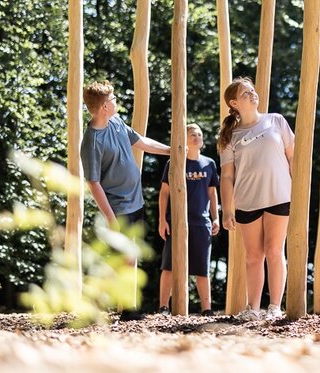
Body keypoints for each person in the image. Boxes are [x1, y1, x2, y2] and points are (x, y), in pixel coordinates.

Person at [79, 80, 171, 321]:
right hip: (118, 208)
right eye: (112, 99)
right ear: (103, 107)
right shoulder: (91, 141)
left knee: (130, 258)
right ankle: (111, 305)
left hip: (136, 202)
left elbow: (141, 141)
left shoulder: (117, 122)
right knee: (125, 258)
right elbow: (93, 183)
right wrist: (111, 218)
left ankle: (125, 306)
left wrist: (171, 150)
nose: (116, 101)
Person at [217, 77, 294, 321]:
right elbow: (227, 176)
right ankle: (253, 309)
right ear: (234, 103)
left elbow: (293, 158)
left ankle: (274, 307)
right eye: (245, 93)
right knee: (253, 257)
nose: (252, 94)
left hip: (279, 195)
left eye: (252, 90)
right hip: (246, 201)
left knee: (274, 251)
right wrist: (226, 210)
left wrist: (298, 194)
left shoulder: (276, 121)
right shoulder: (229, 136)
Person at [157, 123, 220, 316]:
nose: (197, 137)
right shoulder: (174, 162)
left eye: (199, 134)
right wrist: (162, 220)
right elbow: (164, 193)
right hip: (176, 222)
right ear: (184, 138)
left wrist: (216, 218)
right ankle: (163, 307)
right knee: (169, 266)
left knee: (202, 268)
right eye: (192, 134)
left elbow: (212, 193)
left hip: (202, 223)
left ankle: (207, 310)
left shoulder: (209, 163)